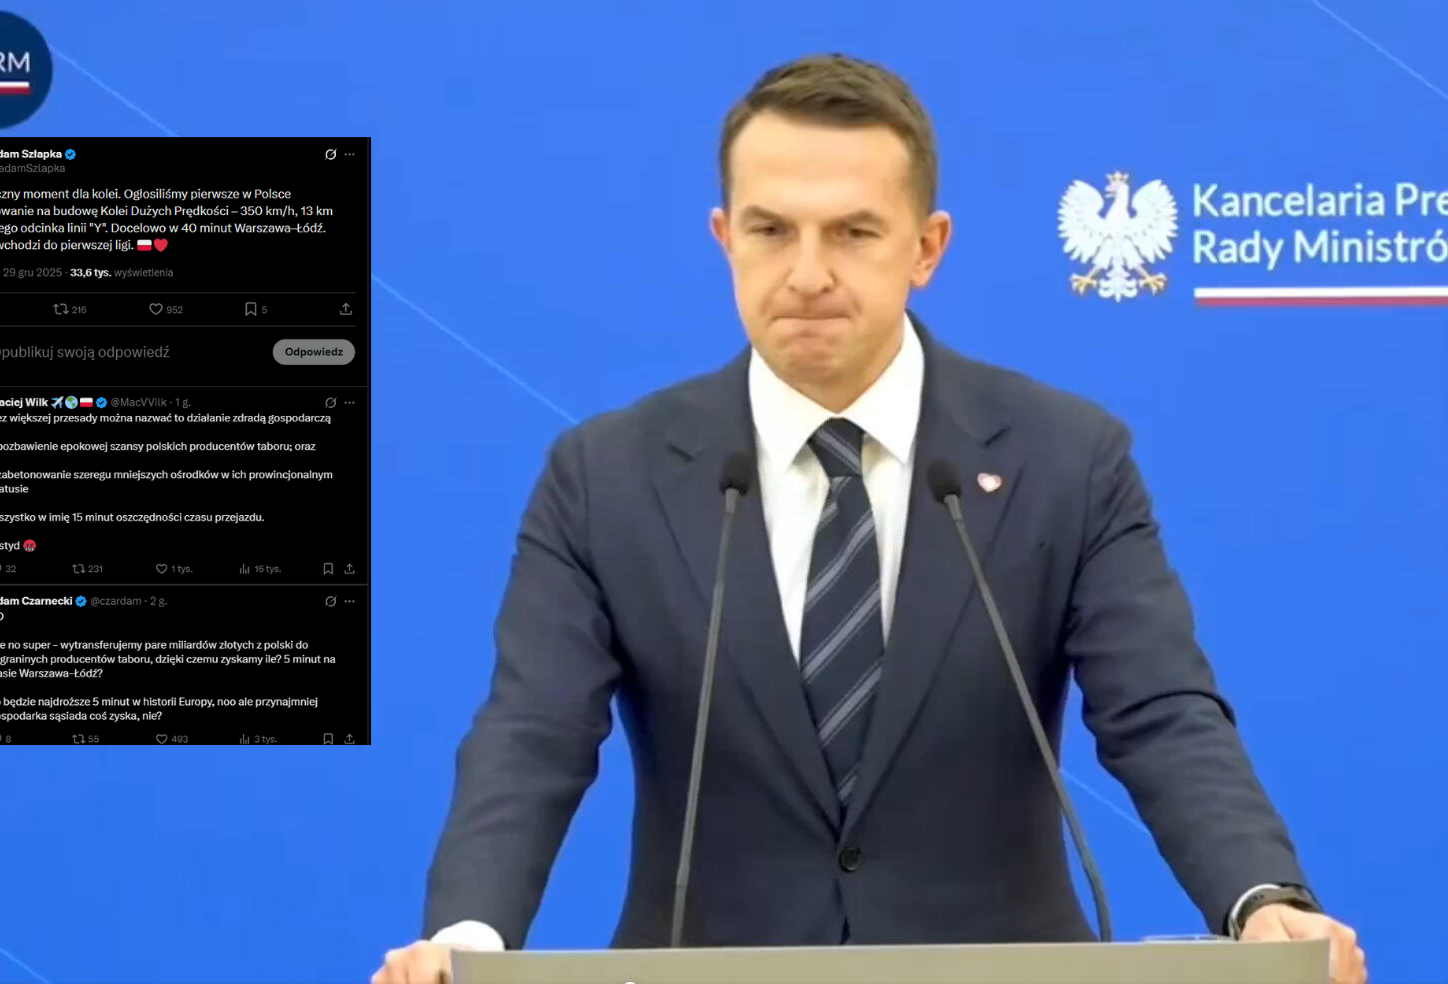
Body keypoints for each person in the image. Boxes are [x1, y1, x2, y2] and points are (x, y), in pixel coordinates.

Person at [377, 53, 1364, 984]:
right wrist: (469, 941)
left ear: (927, 247)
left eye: (853, 232)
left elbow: (1160, 715)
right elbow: (534, 732)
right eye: (772, 230)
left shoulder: (1067, 459)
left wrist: (1259, 898)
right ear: (724, 237)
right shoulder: (605, 477)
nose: (808, 274)